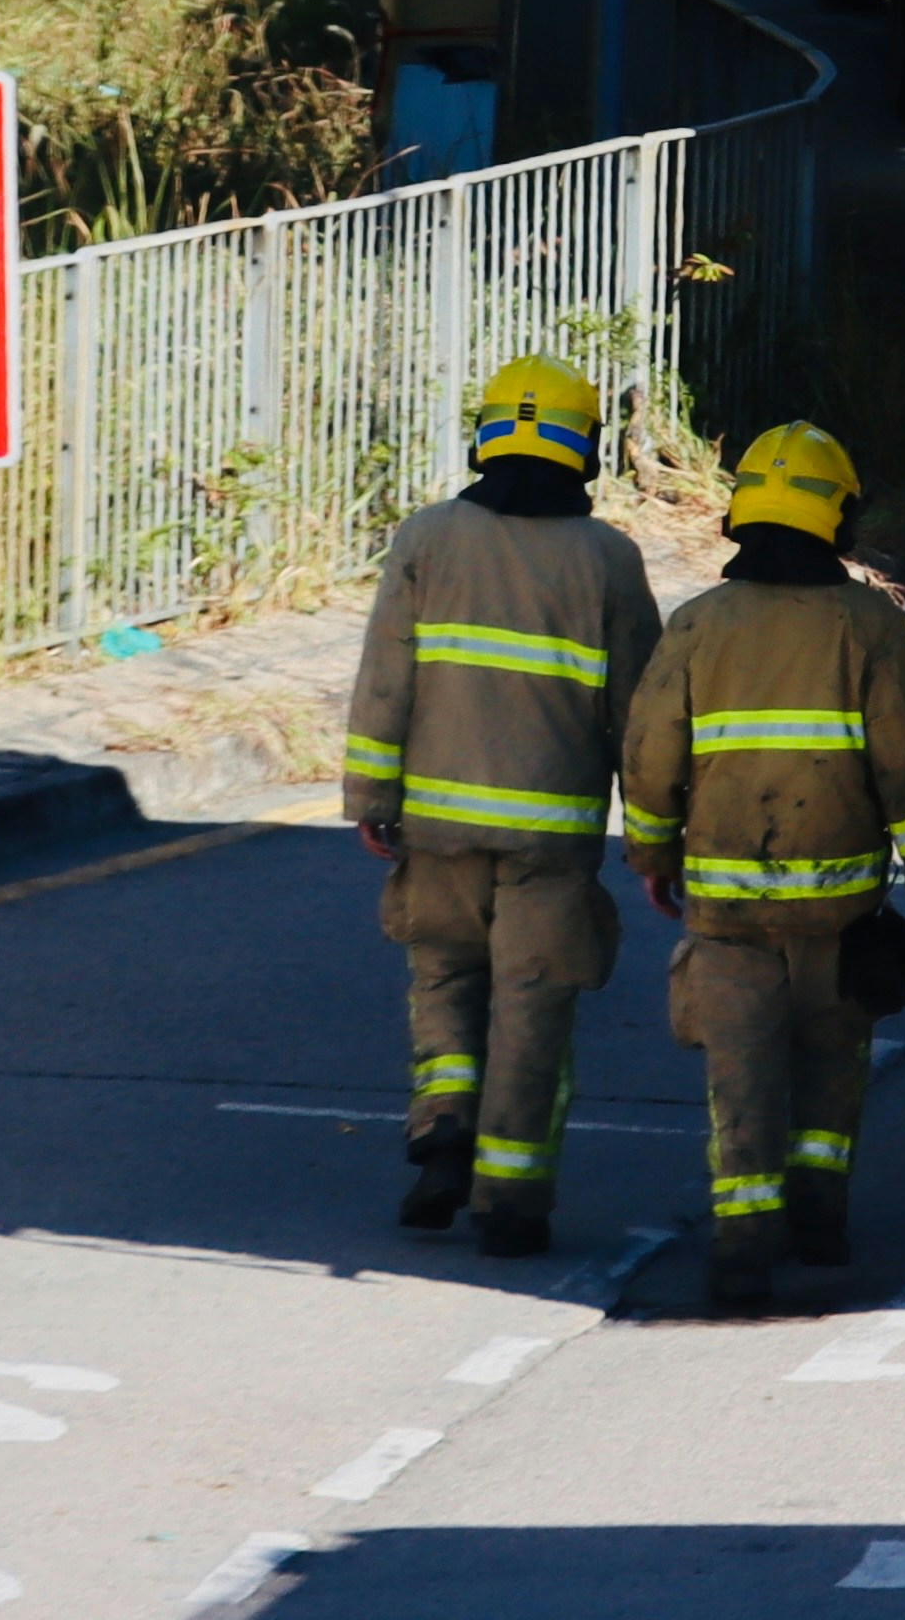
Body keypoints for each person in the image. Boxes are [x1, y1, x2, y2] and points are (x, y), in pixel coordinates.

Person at [613, 420, 905, 1313]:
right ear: (838, 519)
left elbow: (651, 753)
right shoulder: (869, 625)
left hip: (726, 914)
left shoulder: (698, 624)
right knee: (831, 1066)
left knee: (739, 1078)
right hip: (841, 913)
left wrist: (653, 852)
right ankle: (819, 1217)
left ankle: (740, 1243)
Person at [343, 355, 669, 1253]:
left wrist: (373, 794)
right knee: (532, 1008)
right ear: (586, 449)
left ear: (484, 437)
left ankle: (443, 1121)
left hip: (438, 832)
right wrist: (653, 842)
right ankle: (510, 1204)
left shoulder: (427, 539)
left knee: (444, 977)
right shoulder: (608, 558)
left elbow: (386, 679)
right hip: (550, 843)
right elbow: (638, 719)